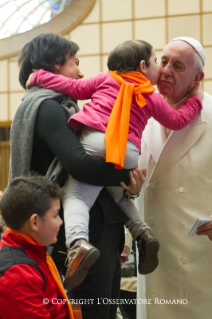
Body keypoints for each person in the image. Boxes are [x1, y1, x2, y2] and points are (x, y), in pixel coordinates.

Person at [27, 39, 202, 288]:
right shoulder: (150, 96)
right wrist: (195, 101)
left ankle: (77, 244)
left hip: (95, 140)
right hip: (128, 152)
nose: (161, 69)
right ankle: (142, 232)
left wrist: (40, 78)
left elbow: (71, 87)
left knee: (76, 196)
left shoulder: (104, 79)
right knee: (118, 193)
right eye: (157, 62)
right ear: (143, 66)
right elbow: (177, 120)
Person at [9, 33, 143, 319]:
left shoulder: (61, 106)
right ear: (55, 65)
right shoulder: (46, 107)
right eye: (75, 62)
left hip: (97, 227)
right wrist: (127, 173)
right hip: (78, 230)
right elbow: (79, 165)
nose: (81, 72)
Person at [135, 37, 212, 319]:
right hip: (154, 255)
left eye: (178, 66)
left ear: (197, 78)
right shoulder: (140, 113)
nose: (166, 70)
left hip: (201, 258)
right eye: (163, 61)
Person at [0, 174, 75, 319]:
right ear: (34, 222)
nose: (60, 222)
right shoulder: (17, 274)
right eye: (56, 215)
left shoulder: (34, 251)